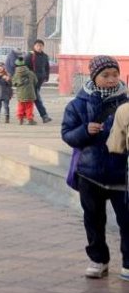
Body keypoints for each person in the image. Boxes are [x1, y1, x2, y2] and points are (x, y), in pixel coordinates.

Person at [61, 55, 129, 280]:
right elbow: (67, 134)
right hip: (90, 174)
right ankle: (98, 260)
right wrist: (84, 131)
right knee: (93, 220)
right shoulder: (78, 105)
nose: (111, 79)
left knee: (127, 221)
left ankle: (128, 263)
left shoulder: (126, 105)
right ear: (93, 77)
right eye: (105, 75)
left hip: (122, 175)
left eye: (115, 74)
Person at [24, 39, 53, 123]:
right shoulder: (30, 55)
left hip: (40, 80)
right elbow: (24, 67)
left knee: (32, 98)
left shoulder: (45, 56)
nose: (39, 47)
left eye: (41, 46)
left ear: (43, 47)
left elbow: (47, 67)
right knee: (36, 98)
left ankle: (25, 114)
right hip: (31, 81)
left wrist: (46, 76)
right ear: (34, 46)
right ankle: (44, 116)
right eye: (37, 46)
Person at [12, 57, 38, 125]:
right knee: (29, 106)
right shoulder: (31, 73)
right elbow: (35, 82)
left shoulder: (16, 74)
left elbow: (14, 83)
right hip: (30, 93)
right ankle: (30, 119)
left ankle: (20, 119)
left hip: (20, 94)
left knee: (21, 106)